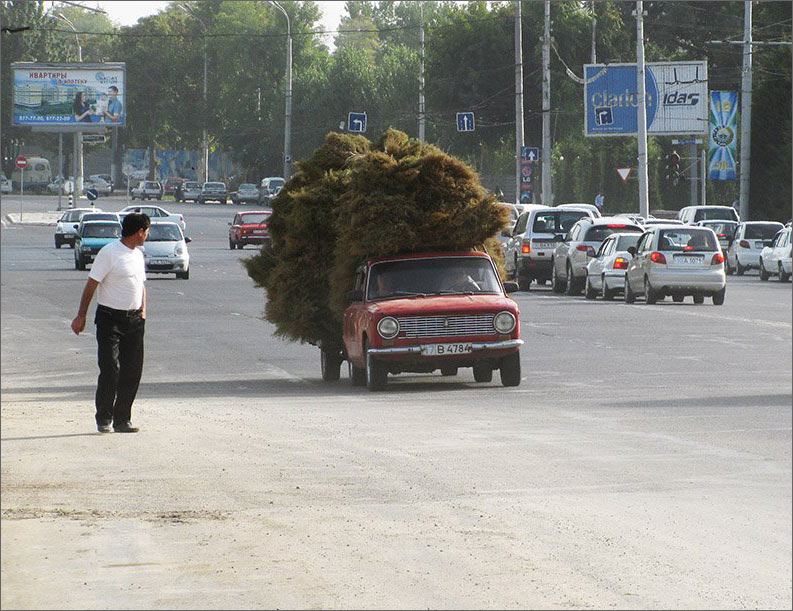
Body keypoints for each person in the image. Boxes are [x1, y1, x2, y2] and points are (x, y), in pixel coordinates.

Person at [71, 213, 151, 433]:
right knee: (110, 368)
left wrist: (143, 311)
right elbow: (91, 285)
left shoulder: (138, 255)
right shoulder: (109, 253)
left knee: (132, 371)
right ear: (139, 232)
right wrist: (81, 316)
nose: (147, 235)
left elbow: (141, 284)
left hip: (134, 320)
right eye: (147, 231)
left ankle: (122, 419)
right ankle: (104, 418)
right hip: (110, 320)